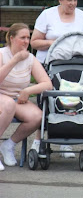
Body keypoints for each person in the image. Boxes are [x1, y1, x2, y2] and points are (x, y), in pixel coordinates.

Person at [30, 0, 83, 158]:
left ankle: (67, 141)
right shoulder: (47, 15)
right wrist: (56, 43)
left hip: (74, 67)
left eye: (75, 0)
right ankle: (38, 140)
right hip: (49, 66)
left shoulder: (82, 16)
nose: (72, 4)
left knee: (71, 102)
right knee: (46, 102)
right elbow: (34, 42)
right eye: (69, 0)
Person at [0, 23, 52, 171]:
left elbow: (47, 84)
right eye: (22, 38)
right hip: (2, 96)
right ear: (11, 38)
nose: (26, 42)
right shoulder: (2, 54)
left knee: (37, 116)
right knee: (9, 104)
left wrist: (28, 91)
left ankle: (8, 145)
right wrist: (15, 60)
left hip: (18, 98)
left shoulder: (30, 58)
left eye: (28, 38)